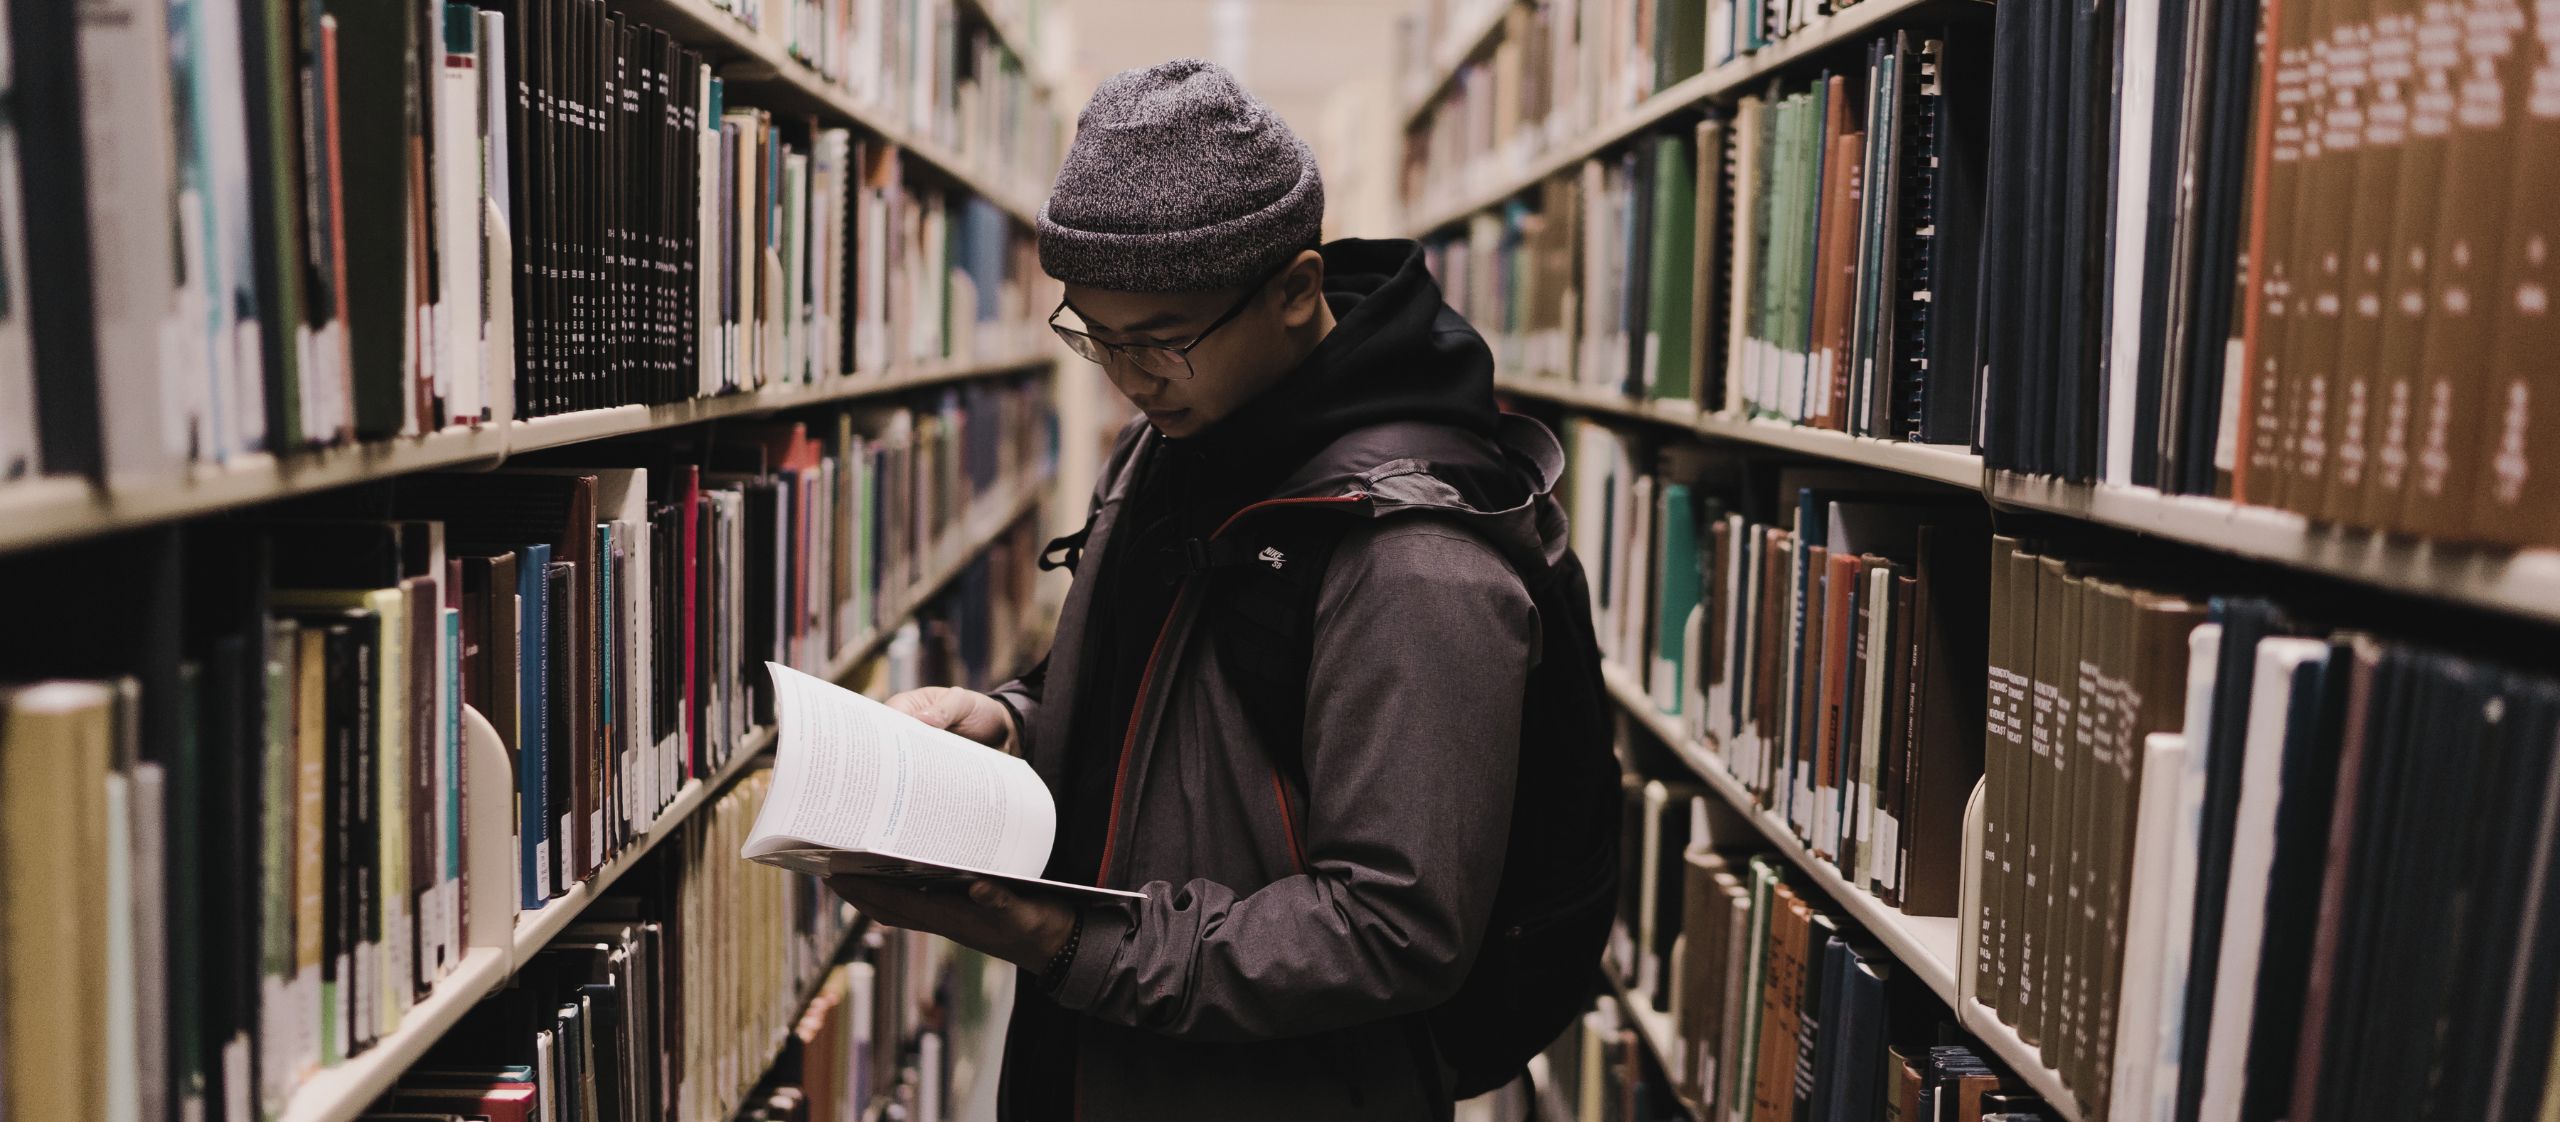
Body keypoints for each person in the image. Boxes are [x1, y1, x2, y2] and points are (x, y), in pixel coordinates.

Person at [825, 58, 1592, 1120]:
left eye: (1162, 339)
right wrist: (1006, 722)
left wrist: (1065, 942)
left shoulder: (1414, 555)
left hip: (1282, 1086)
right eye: (1095, 336)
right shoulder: (1179, 441)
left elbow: (1391, 931)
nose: (1129, 381)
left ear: (1294, 289)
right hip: (1109, 1052)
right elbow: (1176, 710)